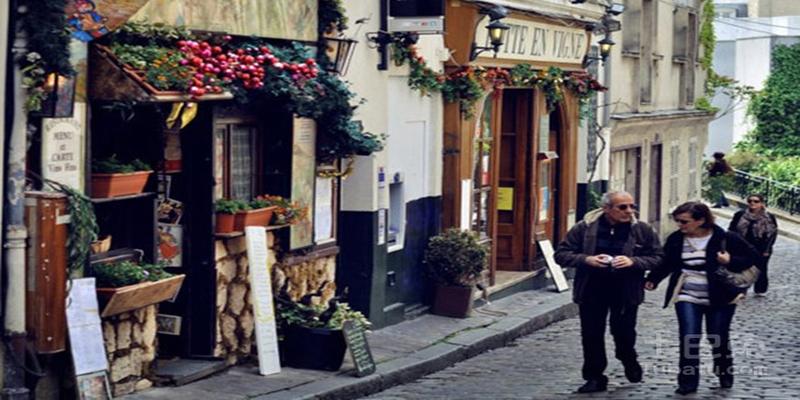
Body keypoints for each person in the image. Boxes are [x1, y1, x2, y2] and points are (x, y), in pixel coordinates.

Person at [554, 191, 663, 393]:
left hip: (626, 290)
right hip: (592, 288)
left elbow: (658, 257)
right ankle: (595, 377)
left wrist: (633, 262)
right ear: (606, 209)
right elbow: (561, 254)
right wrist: (586, 260)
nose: (629, 211)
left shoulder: (642, 230)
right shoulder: (585, 228)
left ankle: (628, 358)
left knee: (623, 332)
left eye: (632, 206)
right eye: (622, 207)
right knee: (592, 334)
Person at [645, 202, 758, 395]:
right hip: (687, 293)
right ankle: (687, 382)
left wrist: (730, 261)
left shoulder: (725, 238)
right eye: (677, 221)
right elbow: (667, 263)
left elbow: (754, 258)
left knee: (718, 337)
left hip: (721, 295)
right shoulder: (676, 239)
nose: (680, 225)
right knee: (689, 337)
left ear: (701, 220)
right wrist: (653, 279)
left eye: (684, 221)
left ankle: (724, 370)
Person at [728, 194, 778, 296]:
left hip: (761, 247)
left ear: (761, 203)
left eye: (756, 201)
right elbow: (731, 230)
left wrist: (767, 249)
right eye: (750, 201)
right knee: (741, 267)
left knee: (761, 268)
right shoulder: (740, 215)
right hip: (742, 246)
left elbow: (772, 234)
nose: (752, 203)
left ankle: (760, 289)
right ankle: (741, 289)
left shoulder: (768, 217)